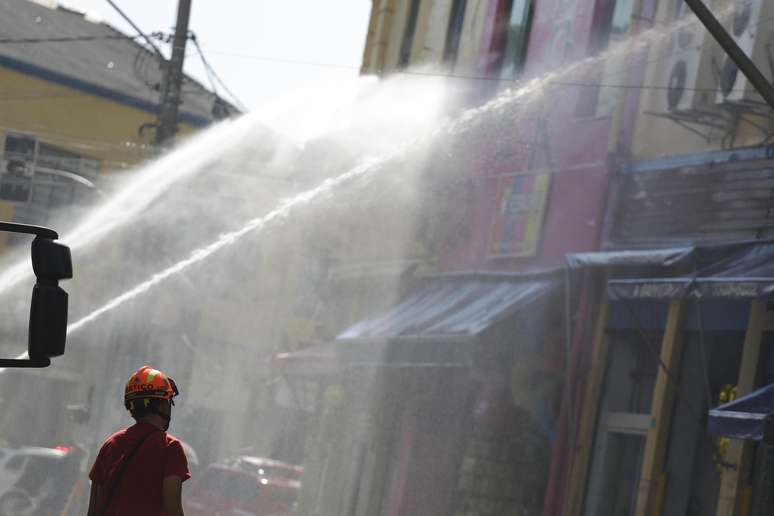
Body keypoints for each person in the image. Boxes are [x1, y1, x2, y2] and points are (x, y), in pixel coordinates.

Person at [86, 366, 189, 516]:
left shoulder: (110, 444)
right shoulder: (170, 447)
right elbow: (173, 510)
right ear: (162, 405)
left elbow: (93, 511)